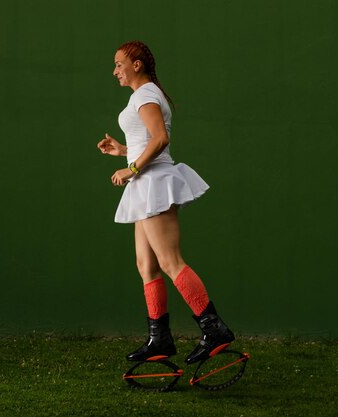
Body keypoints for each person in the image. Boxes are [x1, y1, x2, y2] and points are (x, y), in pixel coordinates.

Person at [97, 40, 235, 365]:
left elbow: (160, 138)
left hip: (153, 182)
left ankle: (213, 328)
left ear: (137, 64)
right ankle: (159, 339)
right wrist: (122, 151)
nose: (115, 70)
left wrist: (130, 168)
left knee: (171, 262)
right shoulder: (142, 96)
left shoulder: (145, 94)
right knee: (146, 266)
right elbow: (147, 139)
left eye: (119, 64)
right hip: (144, 183)